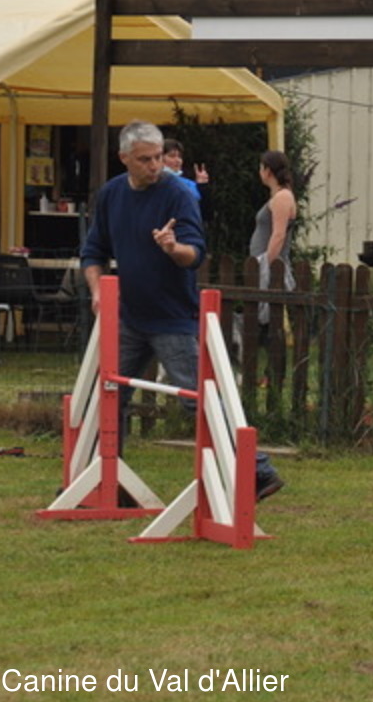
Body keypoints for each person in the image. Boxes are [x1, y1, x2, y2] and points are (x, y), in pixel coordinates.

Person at [82, 120, 284, 501]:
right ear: (124, 158)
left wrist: (174, 249)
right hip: (129, 317)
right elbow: (92, 253)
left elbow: (196, 254)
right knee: (106, 397)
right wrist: (97, 291)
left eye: (158, 157)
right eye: (145, 159)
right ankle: (106, 481)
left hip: (172, 317)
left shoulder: (178, 194)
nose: (155, 166)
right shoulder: (111, 195)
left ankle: (258, 471)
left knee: (197, 399)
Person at [249, 149, 298, 326]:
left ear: (268, 170)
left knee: (270, 318)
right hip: (261, 263)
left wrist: (266, 264)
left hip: (271, 265)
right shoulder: (277, 196)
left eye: (261, 168)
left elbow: (278, 234)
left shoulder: (282, 197)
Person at [162, 138, 213, 222]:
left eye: (179, 156)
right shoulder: (152, 181)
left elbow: (205, 214)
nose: (177, 160)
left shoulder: (190, 184)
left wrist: (202, 186)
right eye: (172, 156)